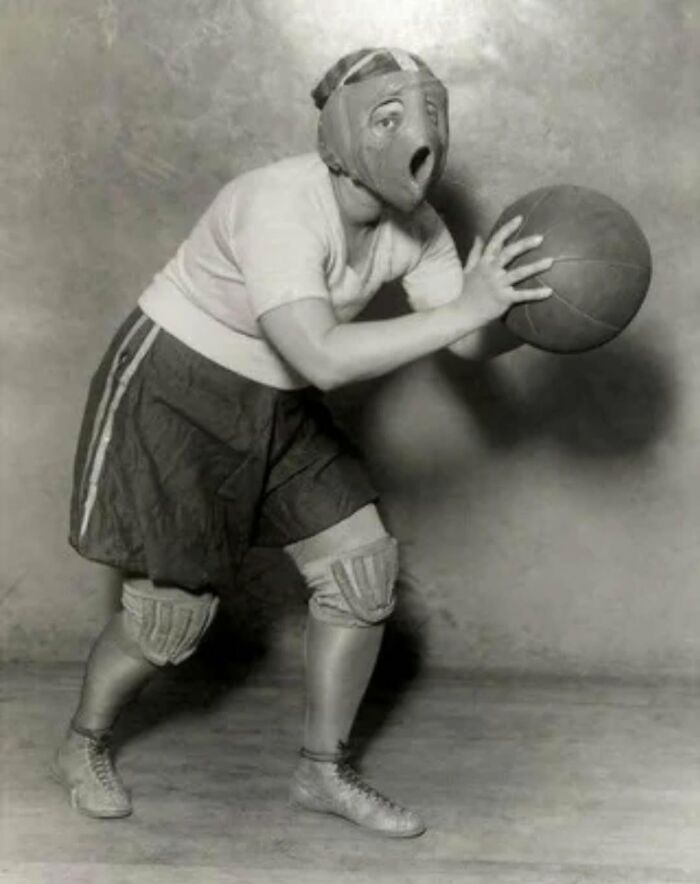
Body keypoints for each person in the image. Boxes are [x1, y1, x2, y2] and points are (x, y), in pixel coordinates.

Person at [52, 47, 552, 837]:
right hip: (176, 393)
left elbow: (465, 339)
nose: (420, 137)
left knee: (361, 576)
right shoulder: (277, 203)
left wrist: (534, 312)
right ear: (347, 132)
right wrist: (467, 312)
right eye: (391, 117)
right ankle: (85, 744)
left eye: (428, 116)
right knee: (168, 622)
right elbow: (319, 351)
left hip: (281, 401)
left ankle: (323, 775)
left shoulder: (417, 226)